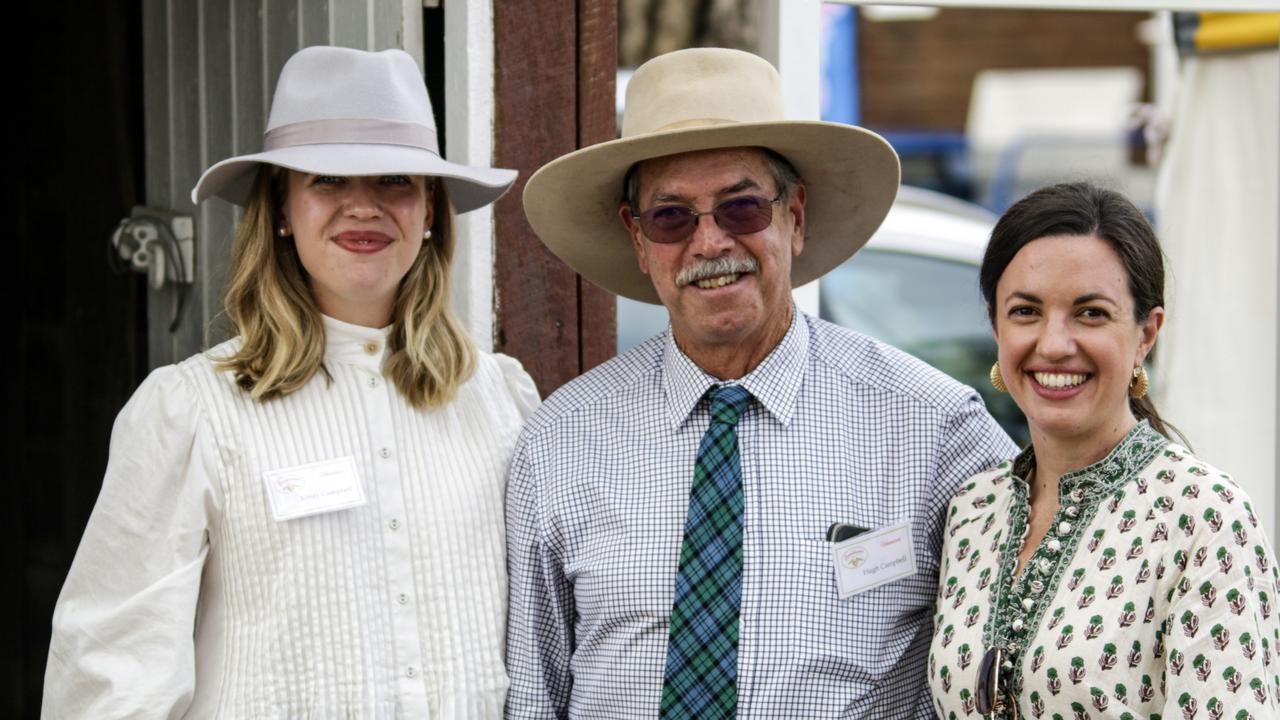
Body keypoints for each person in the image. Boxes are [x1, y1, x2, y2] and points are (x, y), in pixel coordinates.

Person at [506, 47, 1016, 719]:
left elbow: (1017, 658)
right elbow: (532, 697)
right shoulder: (559, 440)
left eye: (741, 208)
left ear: (794, 217)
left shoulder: (933, 427)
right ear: (638, 239)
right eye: (672, 217)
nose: (710, 242)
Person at [43, 46, 538, 718]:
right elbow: (112, 676)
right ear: (280, 207)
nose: (363, 207)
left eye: (395, 180)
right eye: (328, 181)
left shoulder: (500, 400)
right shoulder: (191, 412)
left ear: (430, 212)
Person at [927, 182, 1280, 719]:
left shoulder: (1205, 518)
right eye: (1025, 311)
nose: (1053, 344)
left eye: (1090, 313)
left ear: (1146, 334)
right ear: (996, 325)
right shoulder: (973, 509)